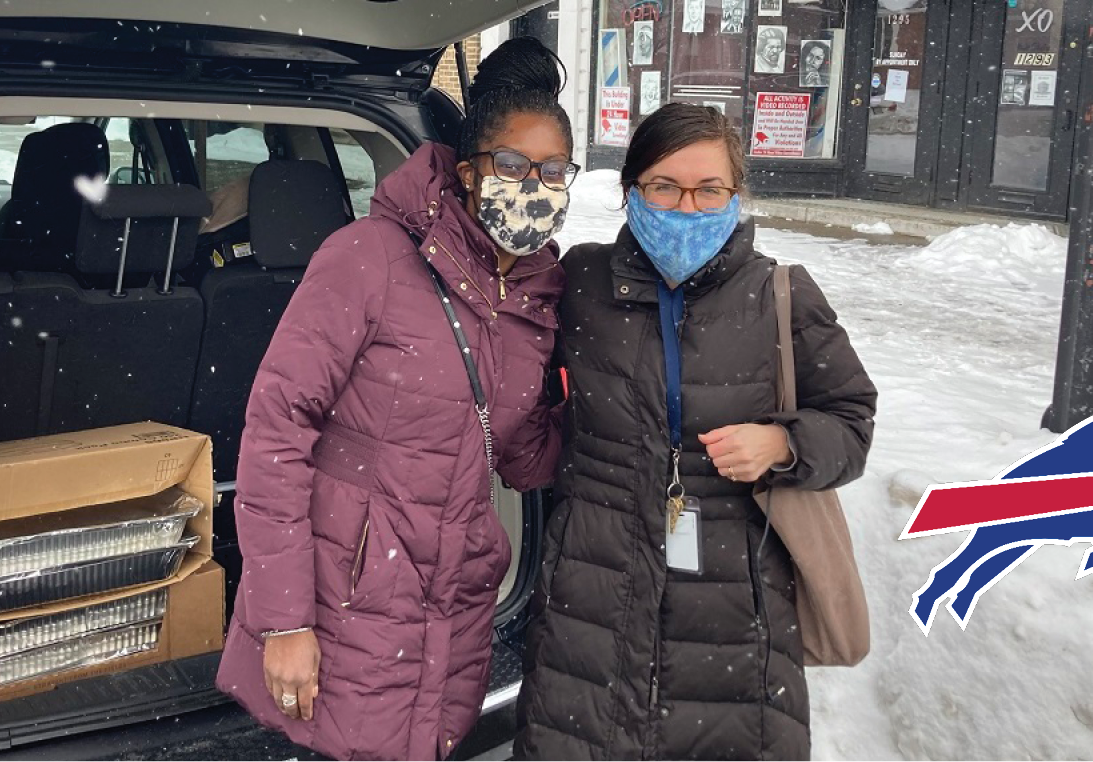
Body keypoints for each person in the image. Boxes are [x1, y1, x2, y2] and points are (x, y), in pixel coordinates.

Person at [215, 37, 575, 761]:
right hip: (348, 599)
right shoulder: (368, 256)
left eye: (553, 170)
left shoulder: (537, 295)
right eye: (512, 164)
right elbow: (276, 430)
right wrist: (283, 622)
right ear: (470, 169)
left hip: (454, 603)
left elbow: (524, 459)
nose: (532, 184)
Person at [514, 103, 876, 760]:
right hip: (592, 588)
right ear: (630, 192)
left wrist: (785, 445)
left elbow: (851, 423)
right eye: (664, 187)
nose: (686, 208)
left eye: (709, 189)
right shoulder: (579, 282)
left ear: (737, 195)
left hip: (734, 602)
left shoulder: (782, 294)